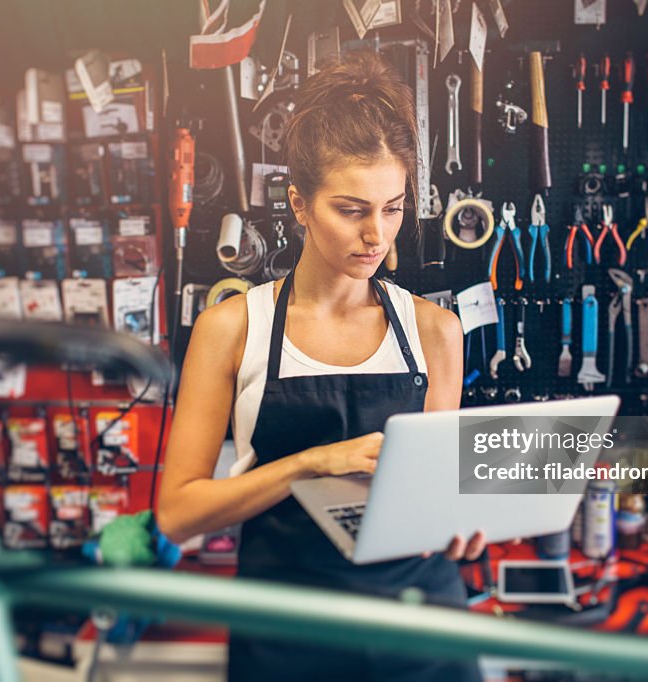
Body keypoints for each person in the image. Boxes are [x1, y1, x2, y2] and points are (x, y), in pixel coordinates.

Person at [157, 51, 484, 682]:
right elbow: (178, 512)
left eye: (392, 207)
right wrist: (310, 463)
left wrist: (461, 523)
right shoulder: (231, 328)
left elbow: (437, 494)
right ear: (300, 203)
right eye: (352, 210)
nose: (377, 236)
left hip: (423, 632)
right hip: (287, 636)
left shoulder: (436, 332)